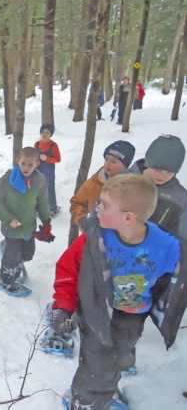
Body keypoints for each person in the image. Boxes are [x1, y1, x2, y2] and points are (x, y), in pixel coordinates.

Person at [48, 174, 186, 409]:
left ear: (129, 217)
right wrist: (63, 304)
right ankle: (85, 400)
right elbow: (67, 269)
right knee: (97, 363)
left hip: (133, 315)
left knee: (122, 358)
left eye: (104, 205)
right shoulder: (95, 239)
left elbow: (175, 280)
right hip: (95, 311)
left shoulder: (168, 247)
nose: (97, 208)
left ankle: (106, 386)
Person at [0, 147, 54, 294]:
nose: (26, 168)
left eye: (30, 165)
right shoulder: (7, 180)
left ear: (37, 164)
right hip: (11, 228)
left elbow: (42, 202)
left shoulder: (40, 180)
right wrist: (8, 218)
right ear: (18, 160)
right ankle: (7, 280)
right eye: (23, 163)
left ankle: (14, 257)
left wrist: (46, 222)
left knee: (28, 254)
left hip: (28, 227)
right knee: (12, 258)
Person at [126, 135, 187, 241]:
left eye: (169, 171)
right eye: (157, 169)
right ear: (148, 162)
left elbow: (182, 238)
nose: (162, 175)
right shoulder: (122, 180)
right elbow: (98, 216)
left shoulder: (180, 198)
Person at [70, 140, 135, 230]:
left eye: (114, 161)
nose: (107, 164)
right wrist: (82, 221)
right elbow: (76, 202)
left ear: (125, 166)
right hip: (94, 235)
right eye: (106, 159)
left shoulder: (133, 187)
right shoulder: (94, 182)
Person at [34, 123, 62, 218]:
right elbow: (33, 156)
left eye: (47, 132)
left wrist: (47, 159)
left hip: (48, 170)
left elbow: (58, 159)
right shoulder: (37, 144)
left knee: (49, 188)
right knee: (38, 189)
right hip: (38, 170)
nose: (44, 134)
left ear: (51, 134)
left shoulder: (53, 145)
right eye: (43, 132)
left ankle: (52, 208)